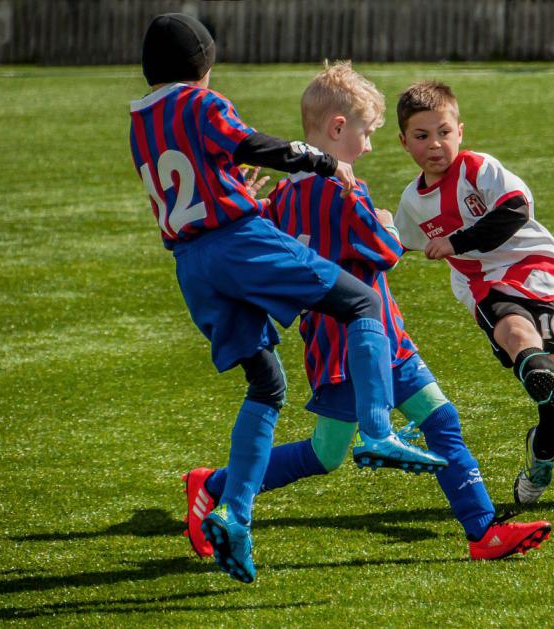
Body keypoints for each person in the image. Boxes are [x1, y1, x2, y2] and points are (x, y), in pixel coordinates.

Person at [186, 62, 553, 561]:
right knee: (329, 452)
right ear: (339, 129)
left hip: (349, 342)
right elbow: (386, 250)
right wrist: (386, 221)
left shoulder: (286, 194)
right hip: (359, 345)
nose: (369, 147)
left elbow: (266, 233)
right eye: (367, 133)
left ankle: (483, 531)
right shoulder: (343, 190)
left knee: (434, 421)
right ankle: (215, 484)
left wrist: (251, 202)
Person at [130, 13, 445, 583]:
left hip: (191, 263)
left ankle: (233, 513)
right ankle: (378, 430)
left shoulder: (140, 120)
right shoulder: (199, 102)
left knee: (267, 384)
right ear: (203, 65)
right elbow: (250, 144)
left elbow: (191, 180)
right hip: (237, 242)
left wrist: (231, 189)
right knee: (361, 303)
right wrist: (322, 160)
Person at [393, 81, 554, 508]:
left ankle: (541, 454)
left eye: (444, 132)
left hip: (542, 270)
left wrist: (456, 241)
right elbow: (395, 245)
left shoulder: (478, 168)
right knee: (515, 330)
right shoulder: (412, 202)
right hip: (483, 281)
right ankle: (537, 374)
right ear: (403, 141)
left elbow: (515, 210)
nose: (434, 144)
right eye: (422, 136)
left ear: (460, 131)